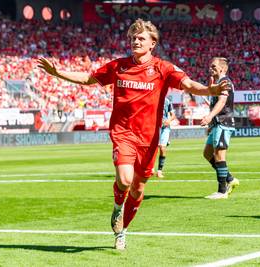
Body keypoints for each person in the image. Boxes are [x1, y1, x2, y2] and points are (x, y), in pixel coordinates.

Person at [38, 18, 230, 250]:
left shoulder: (164, 68)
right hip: (123, 134)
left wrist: (210, 89)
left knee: (138, 187)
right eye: (133, 38)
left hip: (149, 139)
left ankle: (123, 231)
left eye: (141, 38)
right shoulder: (118, 66)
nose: (135, 41)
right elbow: (89, 79)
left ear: (153, 43)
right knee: (126, 179)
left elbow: (189, 85)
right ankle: (118, 206)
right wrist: (58, 73)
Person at [201, 57, 239, 199]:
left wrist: (210, 116)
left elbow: (223, 101)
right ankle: (229, 178)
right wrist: (211, 124)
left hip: (224, 122)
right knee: (207, 153)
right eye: (210, 66)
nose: (210, 68)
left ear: (223, 68)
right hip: (217, 123)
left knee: (219, 155)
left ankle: (222, 191)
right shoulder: (216, 83)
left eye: (214, 66)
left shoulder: (225, 82)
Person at [156, 96, 176, 178]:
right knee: (153, 149)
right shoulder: (153, 99)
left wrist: (169, 120)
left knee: (162, 147)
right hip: (154, 126)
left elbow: (173, 115)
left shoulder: (167, 101)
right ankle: (150, 169)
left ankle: (159, 171)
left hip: (165, 127)